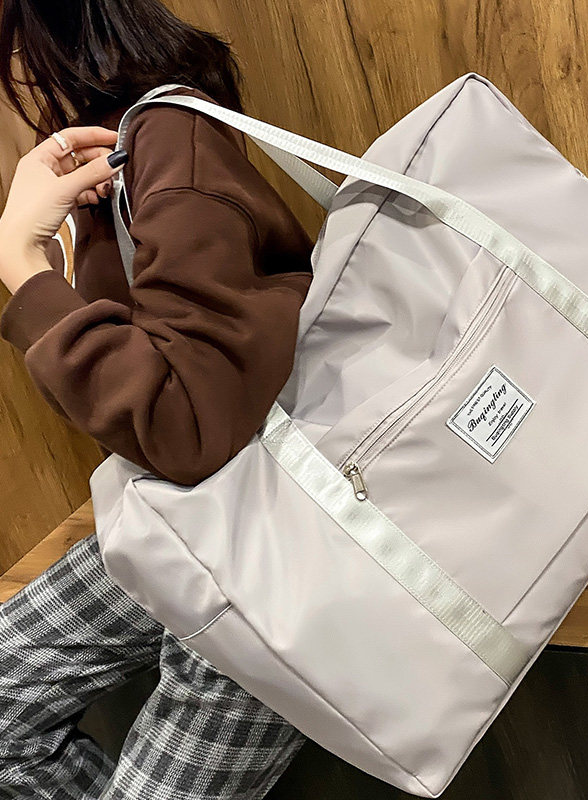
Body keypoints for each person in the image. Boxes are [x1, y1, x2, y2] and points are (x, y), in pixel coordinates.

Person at [0, 1, 314, 797]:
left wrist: (23, 267)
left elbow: (185, 428)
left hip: (276, 546)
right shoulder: (112, 156)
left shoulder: (170, 137)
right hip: (199, 508)